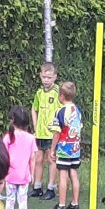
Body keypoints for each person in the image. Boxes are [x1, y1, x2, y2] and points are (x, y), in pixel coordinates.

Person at [0, 105, 37, 209]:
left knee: (10, 201)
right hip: (24, 175)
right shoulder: (31, 138)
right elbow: (32, 158)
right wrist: (32, 174)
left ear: (13, 120)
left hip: (10, 176)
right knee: (23, 201)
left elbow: (3, 157)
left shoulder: (7, 137)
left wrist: (2, 174)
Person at [50, 81, 85, 209]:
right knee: (74, 173)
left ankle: (61, 204)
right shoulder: (77, 111)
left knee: (63, 175)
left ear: (61, 96)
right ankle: (75, 202)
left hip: (64, 148)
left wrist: (52, 149)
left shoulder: (60, 111)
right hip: (75, 148)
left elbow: (57, 132)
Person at [32, 62, 62, 199]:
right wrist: (35, 125)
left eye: (49, 77)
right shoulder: (39, 92)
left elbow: (63, 109)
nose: (46, 80)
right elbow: (34, 109)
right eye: (44, 77)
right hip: (40, 133)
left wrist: (58, 127)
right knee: (38, 159)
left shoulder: (57, 92)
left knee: (51, 159)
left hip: (52, 133)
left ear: (55, 77)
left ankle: (51, 188)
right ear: (40, 76)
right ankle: (37, 187)